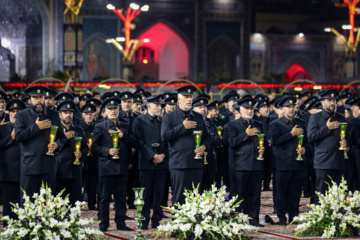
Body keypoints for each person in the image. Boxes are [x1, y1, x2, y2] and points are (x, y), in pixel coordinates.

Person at [92, 98, 137, 232]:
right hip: (107, 167)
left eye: (115, 109)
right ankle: (104, 224)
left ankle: (121, 223)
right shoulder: (100, 126)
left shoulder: (124, 125)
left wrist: (129, 161)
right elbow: (94, 147)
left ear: (118, 110)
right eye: (110, 109)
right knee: (104, 198)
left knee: (121, 198)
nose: (113, 111)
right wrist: (108, 151)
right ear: (105, 112)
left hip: (122, 167)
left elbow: (132, 144)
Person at [15, 86, 66, 203]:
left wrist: (57, 145)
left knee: (47, 203)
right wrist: (36, 127)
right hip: (29, 167)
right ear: (29, 100)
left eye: (41, 97)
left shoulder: (54, 115)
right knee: (28, 203)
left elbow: (62, 138)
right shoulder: (22, 115)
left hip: (49, 166)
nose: (38, 100)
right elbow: (18, 136)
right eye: (35, 98)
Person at [161, 86, 210, 205]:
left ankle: (193, 223)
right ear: (179, 100)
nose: (189, 99)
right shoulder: (170, 116)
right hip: (180, 164)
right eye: (186, 97)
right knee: (179, 198)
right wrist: (183, 127)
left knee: (195, 198)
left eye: (190, 97)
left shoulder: (198, 116)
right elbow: (165, 136)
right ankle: (177, 223)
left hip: (197, 163)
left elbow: (207, 137)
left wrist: (204, 146)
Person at [224, 97, 265, 227]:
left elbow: (263, 141)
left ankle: (254, 220)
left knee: (254, 195)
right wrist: (246, 134)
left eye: (251, 108)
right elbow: (230, 142)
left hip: (256, 164)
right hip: (239, 166)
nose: (249, 111)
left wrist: (263, 149)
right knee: (237, 196)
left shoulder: (258, 125)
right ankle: (234, 221)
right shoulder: (231, 125)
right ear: (239, 110)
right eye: (246, 108)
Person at [133, 94, 168, 230]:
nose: (159, 108)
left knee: (159, 193)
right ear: (149, 106)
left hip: (162, 162)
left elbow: (167, 141)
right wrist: (153, 156)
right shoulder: (139, 120)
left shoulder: (163, 121)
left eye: (160, 105)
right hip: (146, 163)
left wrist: (163, 155)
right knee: (145, 194)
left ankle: (157, 220)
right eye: (157, 105)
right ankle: (144, 219)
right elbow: (139, 142)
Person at [270, 96, 306, 225]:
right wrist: (291, 134)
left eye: (293, 107)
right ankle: (281, 217)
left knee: (296, 192)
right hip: (283, 164)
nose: (291, 109)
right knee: (282, 192)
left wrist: (304, 150)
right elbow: (275, 141)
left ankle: (294, 217)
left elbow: (307, 141)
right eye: (288, 107)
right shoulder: (275, 124)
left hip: (298, 163)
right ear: (282, 109)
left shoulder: (301, 122)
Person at [307, 90, 348, 203]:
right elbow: (311, 137)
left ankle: (337, 218)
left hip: (339, 161)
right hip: (323, 162)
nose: (332, 103)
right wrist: (326, 128)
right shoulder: (315, 117)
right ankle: (321, 218)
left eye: (334, 100)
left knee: (338, 194)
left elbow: (346, 136)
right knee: (321, 193)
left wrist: (346, 144)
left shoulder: (340, 118)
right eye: (329, 100)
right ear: (323, 102)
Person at [55, 100, 88, 206]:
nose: (68, 115)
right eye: (65, 112)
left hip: (76, 171)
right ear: (60, 115)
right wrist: (64, 137)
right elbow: (51, 148)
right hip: (60, 171)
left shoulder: (79, 130)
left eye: (70, 112)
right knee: (60, 203)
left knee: (75, 202)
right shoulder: (55, 130)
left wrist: (82, 154)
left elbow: (85, 147)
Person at [0, 99, 26, 226]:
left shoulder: (27, 129)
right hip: (8, 173)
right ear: (8, 112)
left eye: (19, 111)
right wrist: (11, 138)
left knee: (24, 206)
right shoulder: (2, 128)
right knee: (9, 206)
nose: (15, 114)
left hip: (25, 172)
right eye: (13, 111)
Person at [192, 98, 222, 192]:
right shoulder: (191, 123)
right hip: (195, 159)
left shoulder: (211, 125)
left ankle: (207, 206)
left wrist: (206, 144)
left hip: (209, 159)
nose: (203, 109)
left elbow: (219, 141)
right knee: (196, 188)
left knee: (208, 188)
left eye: (204, 107)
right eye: (200, 107)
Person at [80, 103, 98, 210]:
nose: (89, 116)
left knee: (92, 183)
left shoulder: (97, 126)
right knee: (80, 183)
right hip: (82, 158)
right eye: (87, 114)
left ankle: (92, 204)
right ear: (83, 115)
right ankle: (78, 203)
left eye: (91, 114)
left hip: (93, 159)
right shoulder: (79, 127)